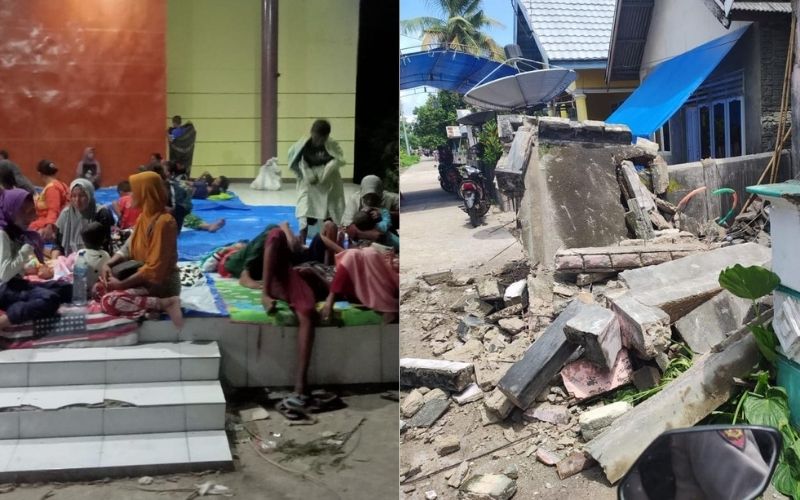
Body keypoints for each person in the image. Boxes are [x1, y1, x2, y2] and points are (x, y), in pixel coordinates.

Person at [260, 225, 332, 414]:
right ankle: (265, 294)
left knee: (308, 312)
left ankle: (300, 384)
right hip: (289, 271)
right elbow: (244, 276)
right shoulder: (270, 245)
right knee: (276, 232)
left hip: (297, 274)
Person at [98, 171, 183, 328]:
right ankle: (148, 306)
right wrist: (108, 264)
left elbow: (154, 269)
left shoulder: (164, 223)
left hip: (161, 284)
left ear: (146, 194)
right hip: (142, 277)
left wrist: (122, 285)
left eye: (134, 191)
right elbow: (128, 247)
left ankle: (166, 303)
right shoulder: (144, 217)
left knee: (109, 301)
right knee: (97, 289)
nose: (131, 196)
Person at [0, 188, 70, 330]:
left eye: (33, 211)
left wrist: (29, 268)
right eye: (26, 212)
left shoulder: (15, 232)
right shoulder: (2, 234)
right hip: (4, 288)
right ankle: (7, 319)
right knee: (49, 298)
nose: (32, 217)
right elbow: (5, 274)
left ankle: (21, 302)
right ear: (11, 211)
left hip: (14, 283)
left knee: (66, 288)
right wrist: (27, 248)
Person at [288, 119, 346, 243]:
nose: (318, 141)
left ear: (326, 136)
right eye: (316, 137)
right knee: (304, 210)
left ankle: (331, 241)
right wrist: (307, 172)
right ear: (312, 133)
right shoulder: (303, 144)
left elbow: (338, 159)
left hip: (328, 182)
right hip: (309, 182)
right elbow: (295, 160)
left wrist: (326, 171)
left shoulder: (332, 145)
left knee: (330, 211)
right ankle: (302, 242)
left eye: (321, 138)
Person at [319, 236, 399, 325]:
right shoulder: (358, 256)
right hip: (354, 284)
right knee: (361, 254)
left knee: (368, 253)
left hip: (383, 283)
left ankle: (386, 307)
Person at [52, 179, 114, 258]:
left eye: (82, 196)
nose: (77, 200)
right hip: (69, 260)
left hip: (95, 259)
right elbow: (57, 244)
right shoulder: (66, 214)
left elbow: (104, 245)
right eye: (74, 196)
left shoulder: (101, 213)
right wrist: (54, 262)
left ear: (90, 195)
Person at [341, 175, 400, 242]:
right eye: (367, 197)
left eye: (374, 197)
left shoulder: (390, 199)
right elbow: (346, 226)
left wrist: (384, 214)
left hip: (386, 233)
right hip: (362, 234)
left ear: (380, 194)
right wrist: (370, 234)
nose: (370, 201)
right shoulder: (355, 199)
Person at [29, 160, 69, 238]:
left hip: (49, 223)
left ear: (40, 174)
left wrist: (49, 227)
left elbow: (53, 210)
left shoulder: (52, 188)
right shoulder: (60, 184)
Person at [77, 221, 111, 295]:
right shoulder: (105, 255)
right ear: (104, 240)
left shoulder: (80, 252)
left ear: (84, 241)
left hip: (80, 290)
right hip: (97, 291)